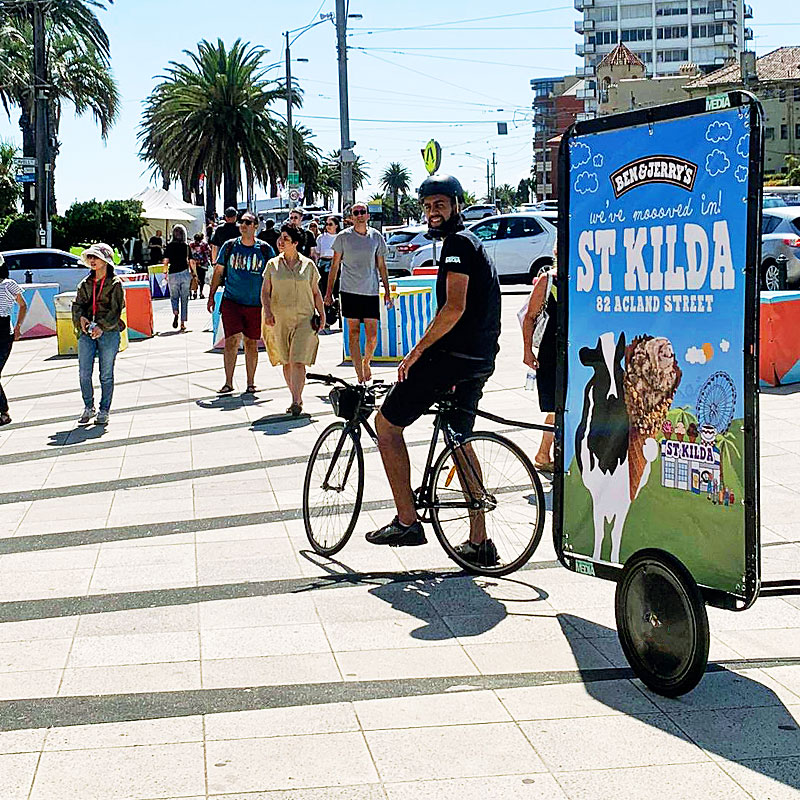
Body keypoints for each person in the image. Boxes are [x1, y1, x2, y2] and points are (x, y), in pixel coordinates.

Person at [367, 175, 502, 568]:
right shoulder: (470, 243)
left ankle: (407, 521)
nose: (432, 212)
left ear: (457, 204)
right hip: (478, 359)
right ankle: (480, 541)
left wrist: (415, 352)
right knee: (459, 438)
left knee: (386, 425)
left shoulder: (459, 246)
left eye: (439, 204)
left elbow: (454, 308)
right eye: (427, 206)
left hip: (453, 359)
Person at [324, 201, 392, 384]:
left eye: (363, 212)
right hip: (349, 291)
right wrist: (328, 293)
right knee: (353, 333)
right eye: (356, 212)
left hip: (370, 291)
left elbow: (381, 265)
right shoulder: (343, 237)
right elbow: (335, 266)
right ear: (351, 217)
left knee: (372, 335)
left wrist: (387, 291)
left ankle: (366, 362)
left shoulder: (376, 237)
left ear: (368, 215)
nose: (360, 215)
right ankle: (359, 373)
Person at [207, 210, 274, 394]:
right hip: (232, 301)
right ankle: (228, 382)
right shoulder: (229, 247)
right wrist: (211, 296)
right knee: (231, 341)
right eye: (241, 222)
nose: (243, 225)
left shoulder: (265, 249)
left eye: (247, 222)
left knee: (252, 343)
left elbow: (272, 277)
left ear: (255, 226)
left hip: (255, 303)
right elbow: (219, 272)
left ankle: (250, 382)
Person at [261, 225, 326, 416]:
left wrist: (322, 314)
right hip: (279, 319)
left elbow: (315, 292)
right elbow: (265, 291)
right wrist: (268, 312)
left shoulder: (308, 266)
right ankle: (295, 396)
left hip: (304, 319)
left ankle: (296, 400)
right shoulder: (272, 265)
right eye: (280, 238)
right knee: (287, 361)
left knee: (298, 360)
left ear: (295, 243)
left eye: (286, 239)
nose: (281, 241)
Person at [72, 243, 126, 425]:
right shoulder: (85, 284)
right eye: (90, 257)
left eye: (96, 257)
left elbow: (116, 309)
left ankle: (104, 410)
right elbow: (77, 305)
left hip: (109, 332)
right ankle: (88, 406)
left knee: (106, 374)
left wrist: (101, 326)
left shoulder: (115, 283)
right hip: (87, 332)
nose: (92, 260)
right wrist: (81, 320)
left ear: (106, 260)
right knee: (84, 373)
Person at [522, 261, 557, 472]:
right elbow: (530, 317)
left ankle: (544, 454)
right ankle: (544, 454)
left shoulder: (585, 277)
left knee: (561, 408)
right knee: (556, 407)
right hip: (550, 353)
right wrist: (528, 351)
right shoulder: (548, 279)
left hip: (574, 352)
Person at [0, 254, 28, 426]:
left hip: (3, 332)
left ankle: (4, 411)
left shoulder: (8, 284)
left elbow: (23, 304)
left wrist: (18, 326)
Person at [163, 224, 197, 331]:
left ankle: (175, 312)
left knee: (174, 297)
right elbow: (191, 261)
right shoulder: (186, 247)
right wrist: (195, 274)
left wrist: (165, 273)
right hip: (185, 273)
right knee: (184, 298)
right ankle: (182, 323)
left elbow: (166, 261)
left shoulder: (169, 246)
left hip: (172, 273)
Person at [316, 216, 340, 327]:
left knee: (337, 291)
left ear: (336, 225)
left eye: (330, 224)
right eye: (327, 224)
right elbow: (317, 253)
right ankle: (325, 319)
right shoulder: (321, 238)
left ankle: (339, 317)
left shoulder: (340, 237)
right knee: (324, 291)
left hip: (336, 265)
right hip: (323, 264)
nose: (328, 226)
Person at [189, 232, 211, 299]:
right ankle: (201, 293)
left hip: (193, 264)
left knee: (194, 278)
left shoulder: (191, 245)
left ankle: (195, 292)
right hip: (202, 264)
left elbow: (189, 254)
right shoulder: (204, 244)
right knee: (202, 278)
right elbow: (208, 252)